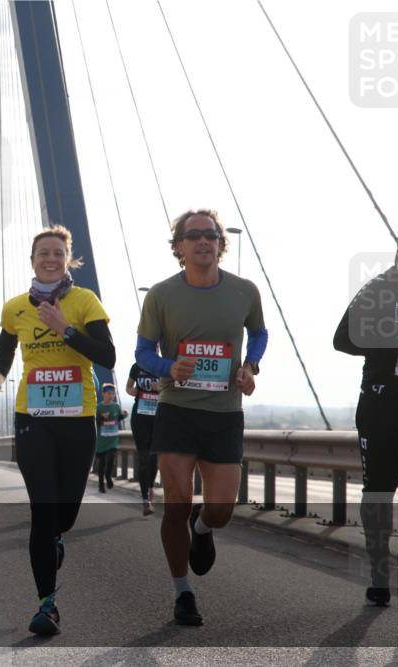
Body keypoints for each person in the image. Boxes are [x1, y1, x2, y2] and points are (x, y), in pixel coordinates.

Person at [0, 225, 115, 636]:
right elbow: (5, 352)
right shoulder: (16, 308)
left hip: (77, 418)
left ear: (67, 258)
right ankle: (46, 605)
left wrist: (65, 329)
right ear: (33, 259)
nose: (50, 258)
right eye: (43, 253)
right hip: (33, 418)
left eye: (58, 253)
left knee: (64, 514)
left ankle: (57, 537)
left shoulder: (86, 301)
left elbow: (107, 354)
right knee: (42, 510)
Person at [135, 209, 267, 626]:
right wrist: (166, 368)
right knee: (175, 506)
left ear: (220, 244)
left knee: (223, 508)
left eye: (210, 235)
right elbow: (143, 353)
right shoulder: (160, 294)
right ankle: (183, 592)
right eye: (194, 236)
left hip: (224, 414)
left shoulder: (245, 291)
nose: (204, 241)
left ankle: (204, 529)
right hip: (177, 411)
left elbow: (259, 333)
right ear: (179, 247)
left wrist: (251, 366)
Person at [333, 220, 398, 607]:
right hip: (383, 408)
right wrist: (394, 343)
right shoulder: (381, 287)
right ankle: (380, 575)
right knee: (381, 493)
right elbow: (343, 338)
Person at [127, 359, 161, 515]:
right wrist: (132, 391)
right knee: (144, 458)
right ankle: (145, 500)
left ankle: (150, 488)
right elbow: (128, 387)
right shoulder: (137, 366)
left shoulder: (163, 365)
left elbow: (174, 387)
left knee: (153, 458)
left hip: (158, 417)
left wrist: (160, 388)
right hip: (139, 415)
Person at [94, 383, 127, 493]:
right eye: (108, 393)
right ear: (103, 394)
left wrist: (124, 415)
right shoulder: (98, 407)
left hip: (112, 440)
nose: (111, 396)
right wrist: (102, 418)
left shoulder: (116, 406)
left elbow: (117, 419)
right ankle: (101, 485)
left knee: (111, 461)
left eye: (113, 394)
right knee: (102, 463)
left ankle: (108, 477)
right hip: (101, 440)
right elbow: (95, 422)